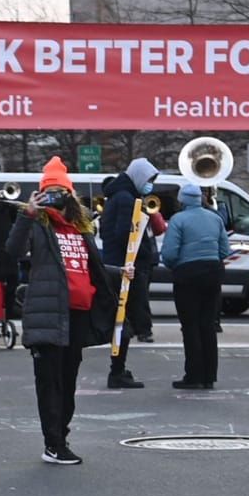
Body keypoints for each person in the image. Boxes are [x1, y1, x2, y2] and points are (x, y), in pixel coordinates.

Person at [10, 157, 112, 464]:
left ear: (70, 194)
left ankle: (61, 436)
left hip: (78, 314)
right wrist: (28, 215)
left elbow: (92, 267)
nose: (54, 197)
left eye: (59, 191)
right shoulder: (38, 226)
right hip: (48, 312)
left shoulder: (82, 228)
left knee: (68, 382)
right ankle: (53, 443)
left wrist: (123, 271)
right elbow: (12, 251)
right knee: (49, 381)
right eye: (48, 191)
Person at [97, 157, 159, 388]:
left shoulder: (118, 196)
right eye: (150, 179)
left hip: (118, 263)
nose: (150, 184)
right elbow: (127, 233)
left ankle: (119, 368)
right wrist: (142, 253)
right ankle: (117, 370)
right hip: (126, 267)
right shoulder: (125, 198)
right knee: (123, 320)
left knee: (122, 320)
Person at [161, 180, 229, 388]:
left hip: (187, 274)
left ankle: (193, 375)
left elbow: (170, 253)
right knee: (208, 325)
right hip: (213, 273)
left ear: (182, 201)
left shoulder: (178, 220)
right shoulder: (215, 218)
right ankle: (209, 376)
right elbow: (225, 250)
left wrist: (176, 264)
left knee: (190, 326)